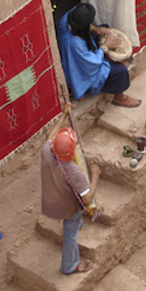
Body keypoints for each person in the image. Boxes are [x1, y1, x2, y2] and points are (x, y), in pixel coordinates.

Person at [41, 107, 101, 274]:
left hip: (52, 197)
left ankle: (76, 225)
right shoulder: (73, 170)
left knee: (72, 224)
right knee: (71, 232)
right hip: (67, 207)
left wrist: (63, 116)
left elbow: (49, 137)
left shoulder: (47, 152)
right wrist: (95, 175)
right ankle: (70, 265)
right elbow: (87, 199)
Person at [57, 2, 141, 107]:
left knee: (104, 28)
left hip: (83, 56)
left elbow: (74, 11)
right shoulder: (76, 45)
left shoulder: (64, 24)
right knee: (121, 70)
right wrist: (105, 47)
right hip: (83, 72)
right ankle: (119, 97)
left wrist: (94, 29)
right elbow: (92, 63)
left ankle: (109, 59)